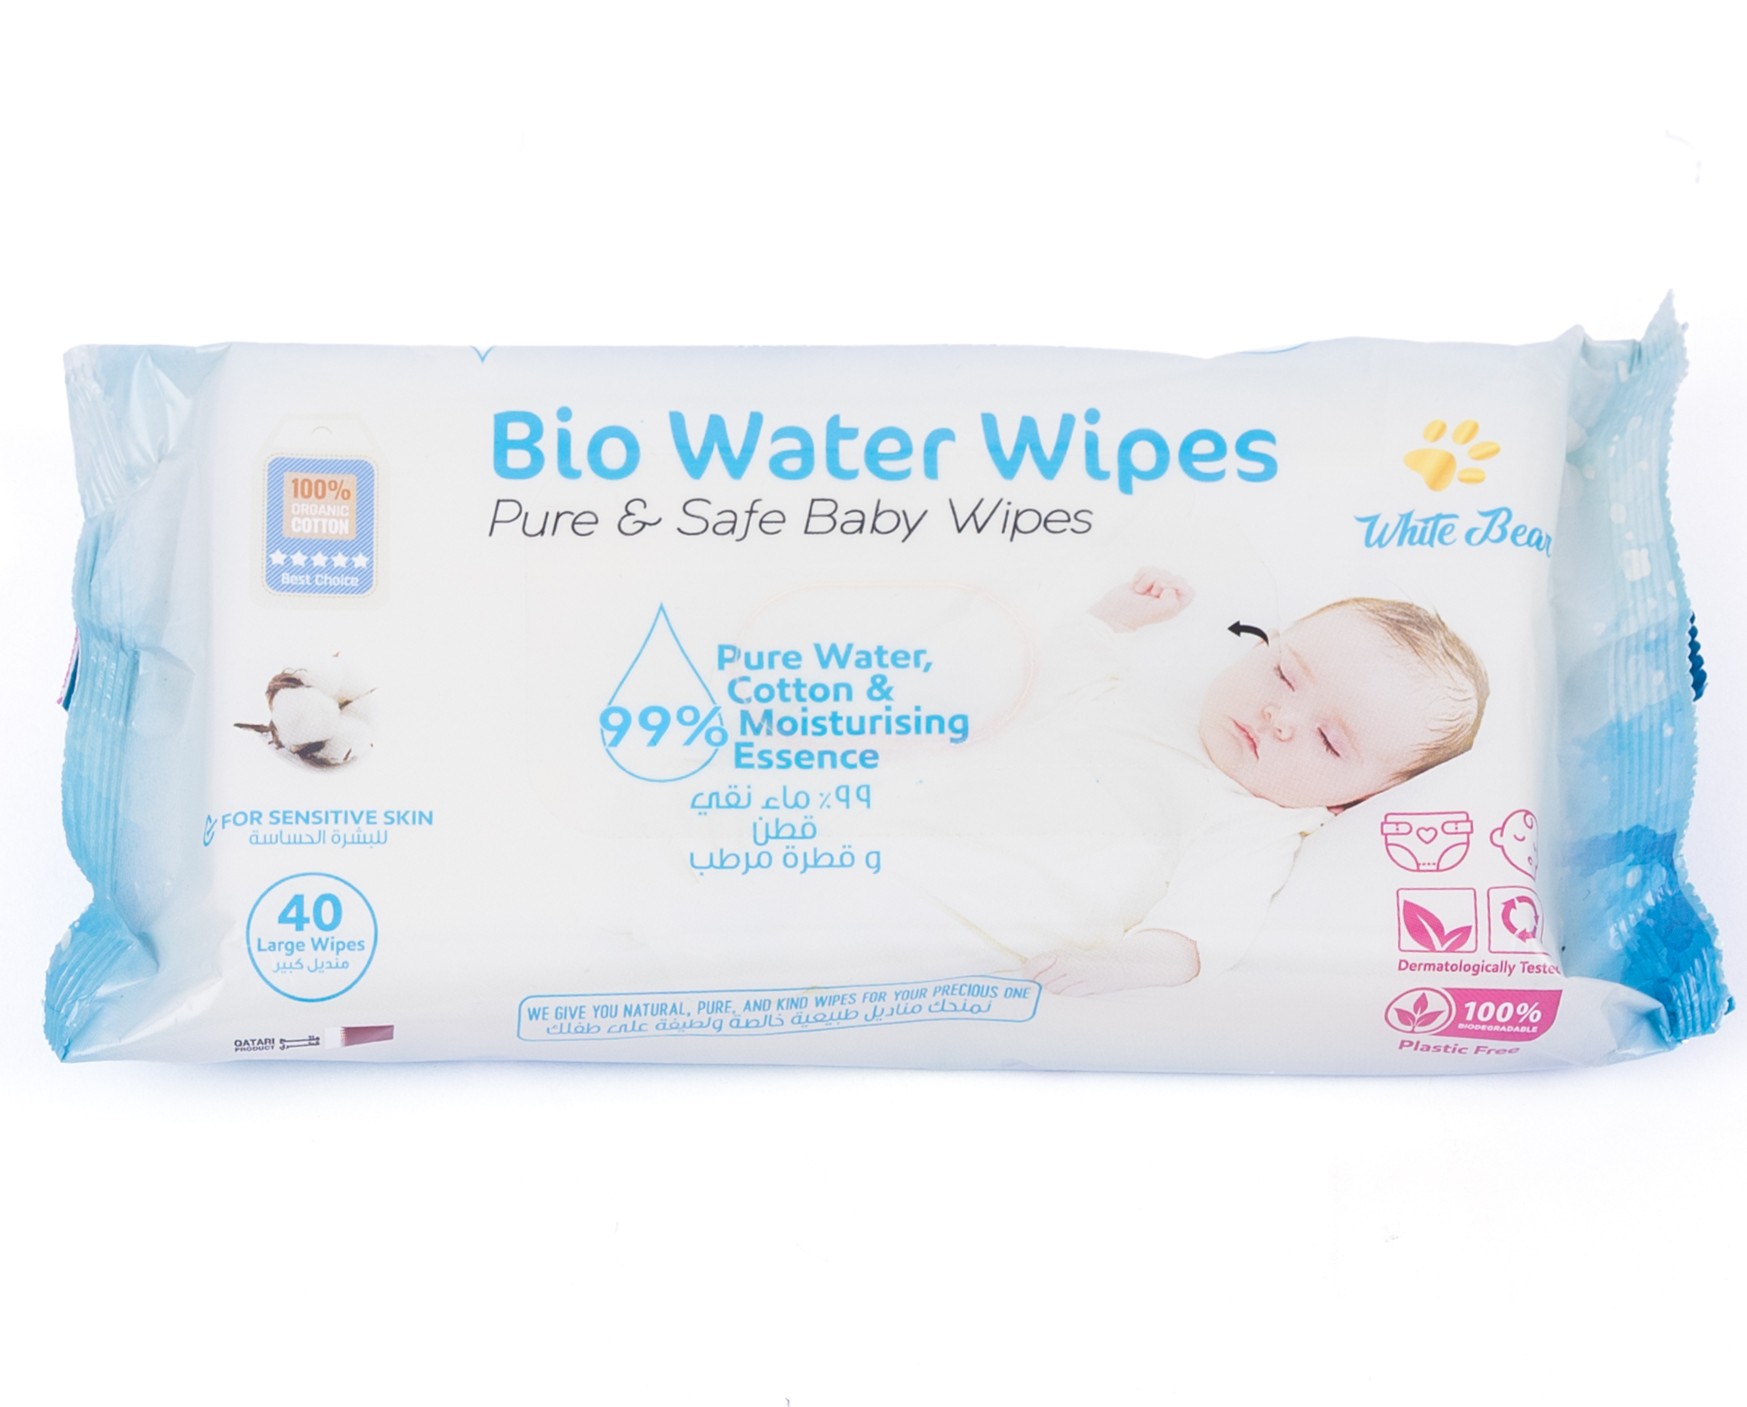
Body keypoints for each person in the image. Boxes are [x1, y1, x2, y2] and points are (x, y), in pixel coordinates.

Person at [914, 567, 1489, 995]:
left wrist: (1121, 966)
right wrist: (1111, 621)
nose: (1281, 717)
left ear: (1354, 802)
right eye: (1285, 675)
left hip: (970, 914)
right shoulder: (1160, 701)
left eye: (1329, 741)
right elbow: (1059, 685)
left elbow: (1202, 930)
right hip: (917, 817)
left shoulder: (1254, 824)